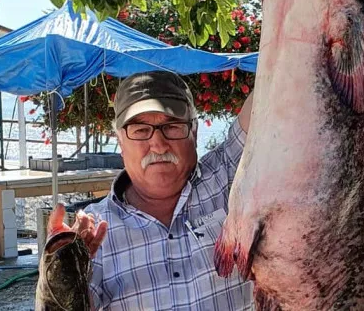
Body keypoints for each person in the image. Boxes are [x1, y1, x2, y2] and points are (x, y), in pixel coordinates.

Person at [47, 70, 255, 309]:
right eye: (140, 130)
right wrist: (63, 271)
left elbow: (278, 81)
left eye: (172, 126)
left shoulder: (227, 174)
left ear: (194, 132)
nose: (157, 144)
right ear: (120, 141)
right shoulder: (95, 231)